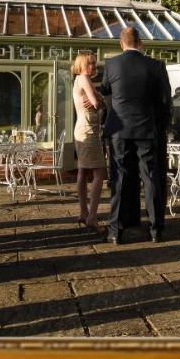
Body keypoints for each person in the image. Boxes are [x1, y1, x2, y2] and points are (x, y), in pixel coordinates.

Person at [99, 26, 172, 244]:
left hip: (119, 131)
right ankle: (156, 230)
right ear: (139, 43)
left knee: (119, 178)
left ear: (121, 44)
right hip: (147, 129)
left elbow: (105, 89)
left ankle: (115, 231)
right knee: (150, 178)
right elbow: (166, 102)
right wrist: (162, 127)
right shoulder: (156, 66)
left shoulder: (112, 64)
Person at [71, 51, 106, 230]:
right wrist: (99, 97)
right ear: (82, 64)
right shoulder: (84, 78)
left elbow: (94, 101)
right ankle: (91, 215)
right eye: (90, 63)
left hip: (82, 128)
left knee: (83, 172)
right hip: (88, 130)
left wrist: (97, 97)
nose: (93, 66)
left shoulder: (79, 80)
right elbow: (96, 103)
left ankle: (84, 213)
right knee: (100, 171)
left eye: (94, 63)